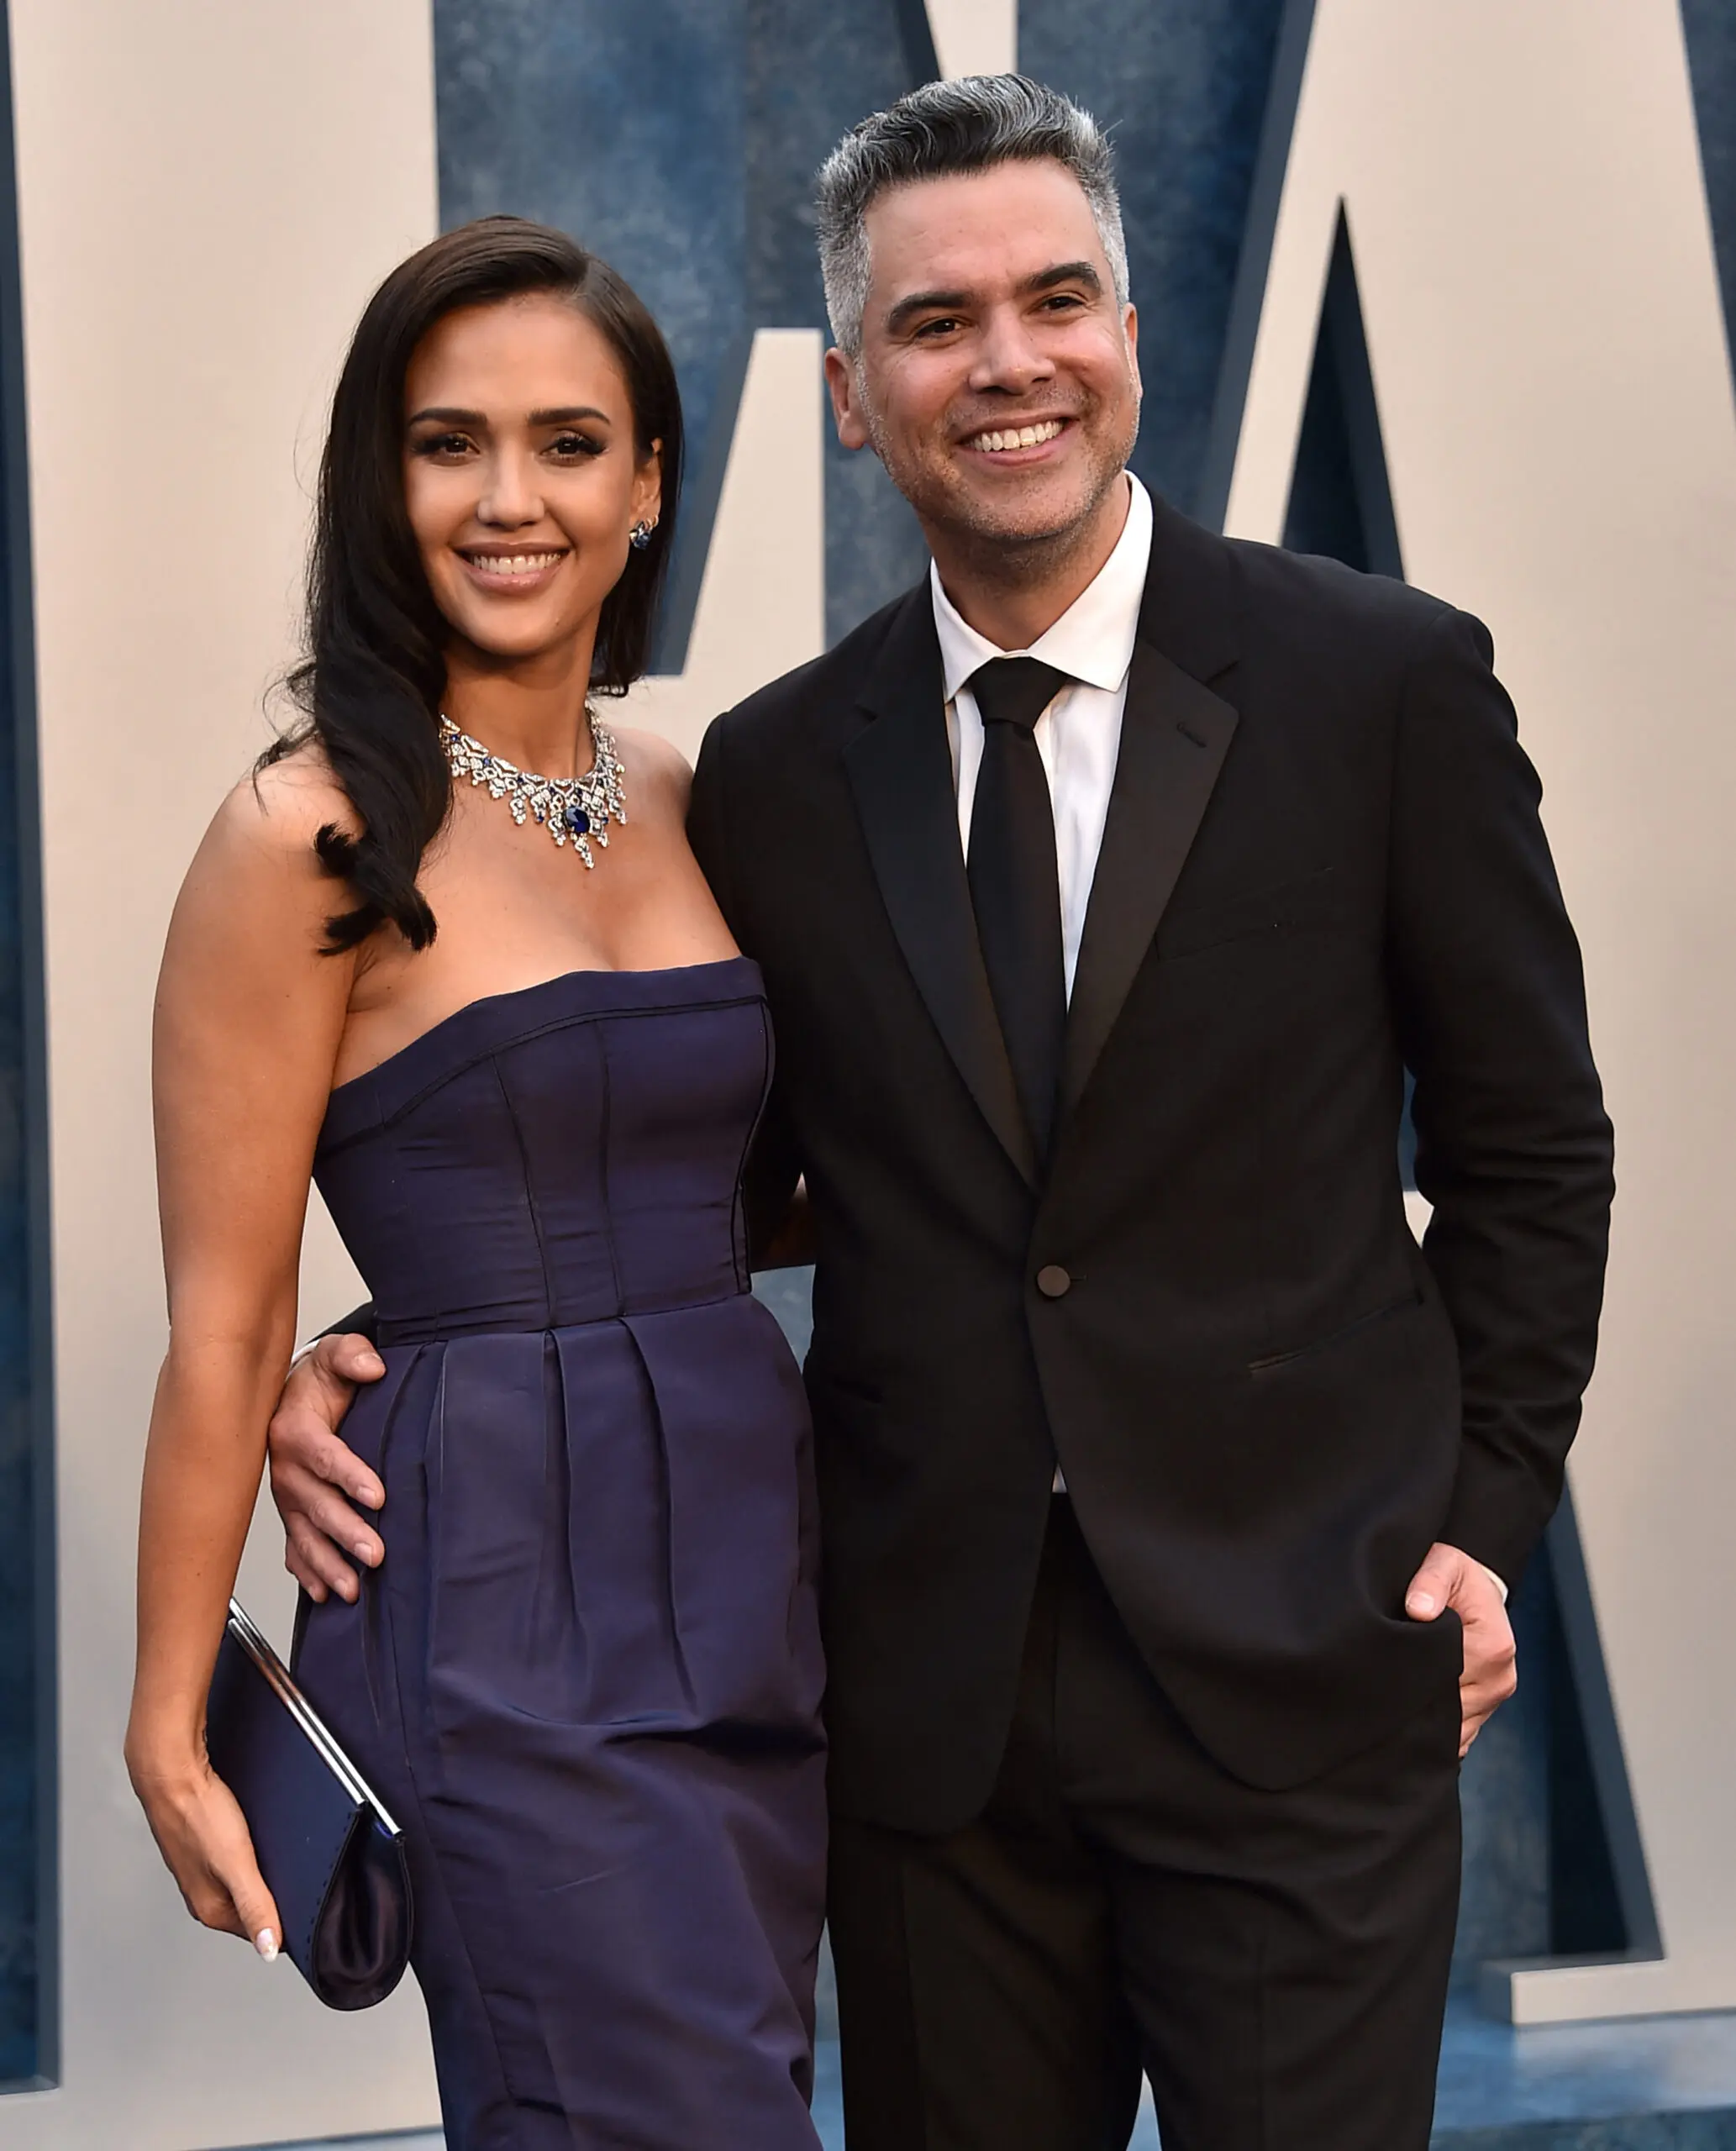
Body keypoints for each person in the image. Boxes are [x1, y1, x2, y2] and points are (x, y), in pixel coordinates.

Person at [270, 78, 1615, 2151]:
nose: (1006, 363)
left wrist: (1474, 1521)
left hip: (1298, 1679)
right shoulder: (785, 775)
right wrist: (387, 1348)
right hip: (918, 1721)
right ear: (846, 394)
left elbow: (1531, 1147)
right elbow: (738, 1179)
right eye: (933, 321)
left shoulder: (1386, 687)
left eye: (1054, 298)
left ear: (1129, 339)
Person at [125, 217, 828, 2151]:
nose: (509, 498)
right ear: (382, 477)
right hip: (496, 1602)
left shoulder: (693, 793)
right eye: (449, 444)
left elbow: (719, 1183)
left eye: (568, 441)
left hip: (755, 1571)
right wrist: (169, 1724)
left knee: (736, 2089)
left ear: (650, 477)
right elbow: (221, 1312)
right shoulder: (304, 832)